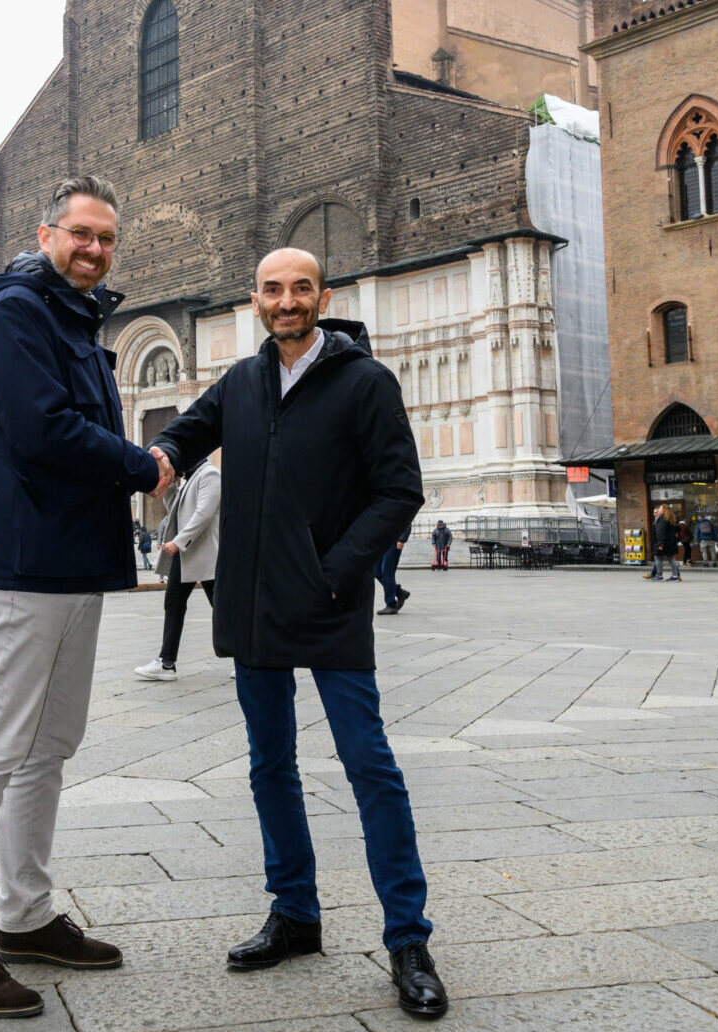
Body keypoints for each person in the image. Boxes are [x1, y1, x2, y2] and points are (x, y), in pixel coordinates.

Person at [148, 247, 445, 1017]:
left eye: (301, 288)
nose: (287, 301)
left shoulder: (366, 382)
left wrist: (337, 570)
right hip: (254, 606)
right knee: (268, 765)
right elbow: (185, 434)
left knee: (369, 765)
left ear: (324, 296)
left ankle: (407, 938)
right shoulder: (242, 382)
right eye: (273, 290)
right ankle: (294, 914)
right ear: (255, 300)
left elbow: (399, 490)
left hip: (329, 600)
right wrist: (156, 457)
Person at [0, 176, 165, 1020]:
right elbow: (42, 430)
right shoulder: (18, 313)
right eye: (81, 234)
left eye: (106, 238)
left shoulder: (78, 321)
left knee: (51, 743)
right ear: (47, 232)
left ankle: (25, 915)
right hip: (27, 562)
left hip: (77, 562)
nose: (95, 249)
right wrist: (145, 464)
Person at [135, 453, 222, 681]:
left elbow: (204, 512)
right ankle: (166, 663)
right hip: (186, 558)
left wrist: (179, 541)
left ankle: (245, 657)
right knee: (173, 603)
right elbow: (175, 509)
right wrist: (171, 485)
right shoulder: (188, 479)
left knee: (222, 609)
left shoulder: (210, 474)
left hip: (205, 556)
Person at [375, 523, 412, 616]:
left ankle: (391, 604)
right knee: (376, 571)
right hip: (382, 542)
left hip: (394, 541)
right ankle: (400, 592)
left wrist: (401, 539)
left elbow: (407, 519)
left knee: (387, 572)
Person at [647, 504, 682, 581]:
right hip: (670, 543)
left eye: (659, 508)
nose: (658, 510)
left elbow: (660, 533)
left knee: (658, 558)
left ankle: (659, 575)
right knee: (671, 559)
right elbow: (676, 528)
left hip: (663, 542)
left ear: (663, 510)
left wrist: (660, 544)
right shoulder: (669, 518)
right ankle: (675, 575)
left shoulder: (661, 519)